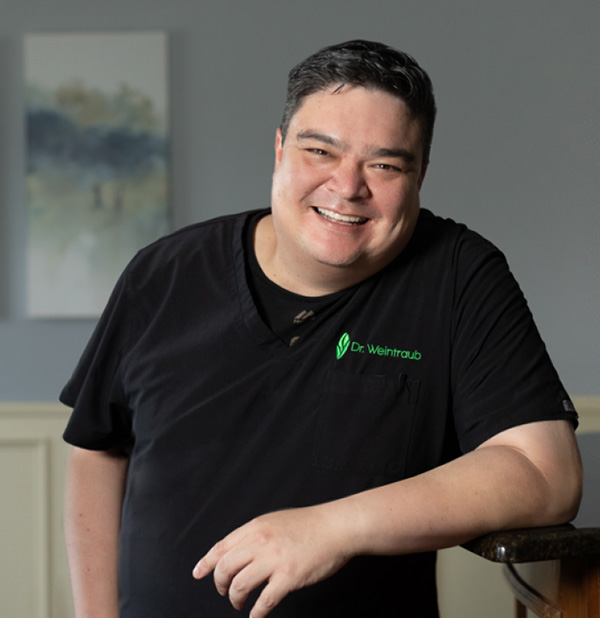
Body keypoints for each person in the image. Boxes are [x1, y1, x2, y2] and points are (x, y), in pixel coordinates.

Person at [61, 40, 582, 618]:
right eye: (320, 151)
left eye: (385, 164)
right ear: (281, 148)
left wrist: (333, 527)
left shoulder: (459, 275)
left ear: (420, 175)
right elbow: (97, 450)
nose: (348, 186)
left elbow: (544, 471)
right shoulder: (161, 273)